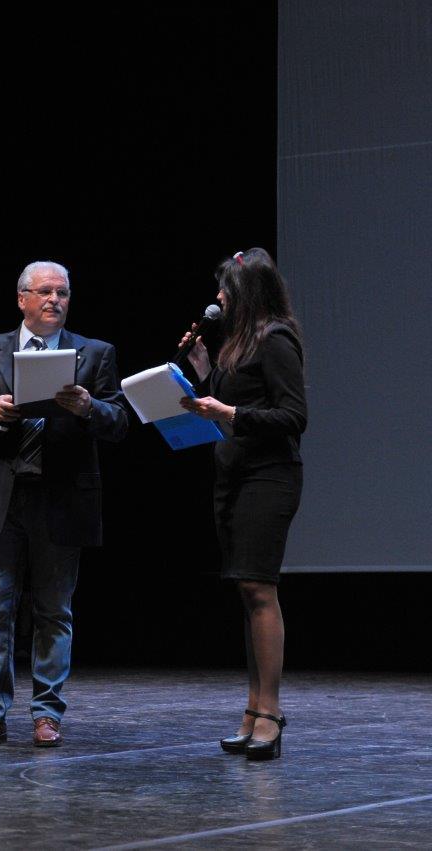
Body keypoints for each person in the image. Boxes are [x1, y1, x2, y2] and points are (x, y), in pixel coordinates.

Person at [0, 260, 128, 747]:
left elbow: (119, 422)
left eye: (63, 293)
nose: (55, 300)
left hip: (61, 498)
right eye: (45, 291)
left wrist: (89, 408)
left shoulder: (94, 353)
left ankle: (47, 713)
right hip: (0, 499)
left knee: (54, 611)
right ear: (22, 299)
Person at [179, 248, 306, 761]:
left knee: (259, 587)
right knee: (246, 591)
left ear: (247, 291)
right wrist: (204, 371)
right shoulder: (237, 344)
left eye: (225, 288)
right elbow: (232, 405)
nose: (218, 296)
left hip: (268, 476)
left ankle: (270, 712)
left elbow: (293, 416)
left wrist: (229, 410)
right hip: (233, 475)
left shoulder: (276, 339)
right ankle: (253, 709)